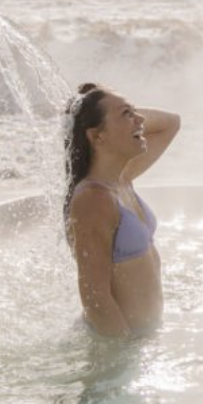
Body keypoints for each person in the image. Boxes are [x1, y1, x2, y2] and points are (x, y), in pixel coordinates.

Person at [63, 82, 181, 337]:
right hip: (116, 342)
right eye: (127, 114)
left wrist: (125, 116)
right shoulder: (93, 200)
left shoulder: (121, 178)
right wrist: (124, 357)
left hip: (141, 336)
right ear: (96, 136)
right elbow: (95, 299)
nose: (141, 120)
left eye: (136, 112)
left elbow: (171, 123)